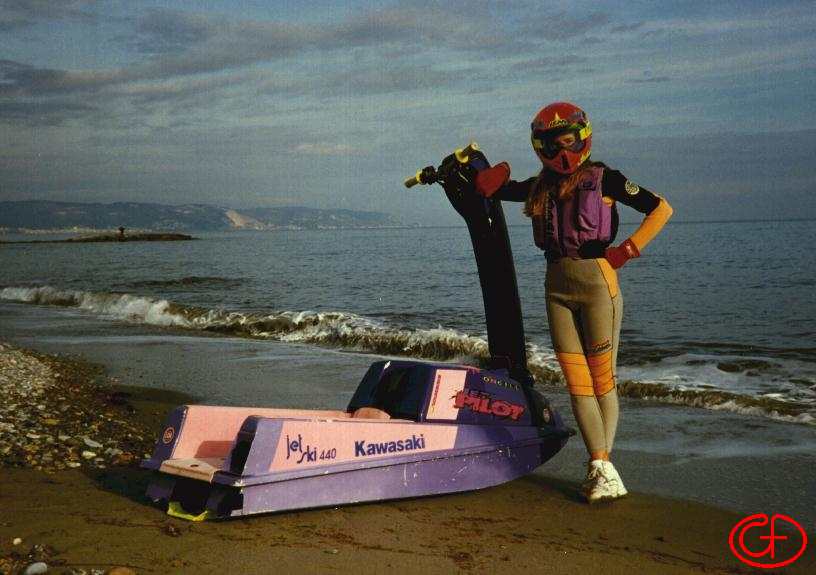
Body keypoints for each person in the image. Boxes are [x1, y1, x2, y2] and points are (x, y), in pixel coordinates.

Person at [472, 101, 673, 502]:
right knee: (577, 383)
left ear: (582, 138)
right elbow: (493, 190)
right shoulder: (540, 186)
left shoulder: (605, 179)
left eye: (568, 142)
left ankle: (602, 466)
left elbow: (660, 208)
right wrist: (490, 173)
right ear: (541, 148)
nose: (562, 153)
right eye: (553, 145)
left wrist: (627, 250)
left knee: (602, 380)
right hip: (556, 288)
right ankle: (602, 467)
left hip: (598, 284)